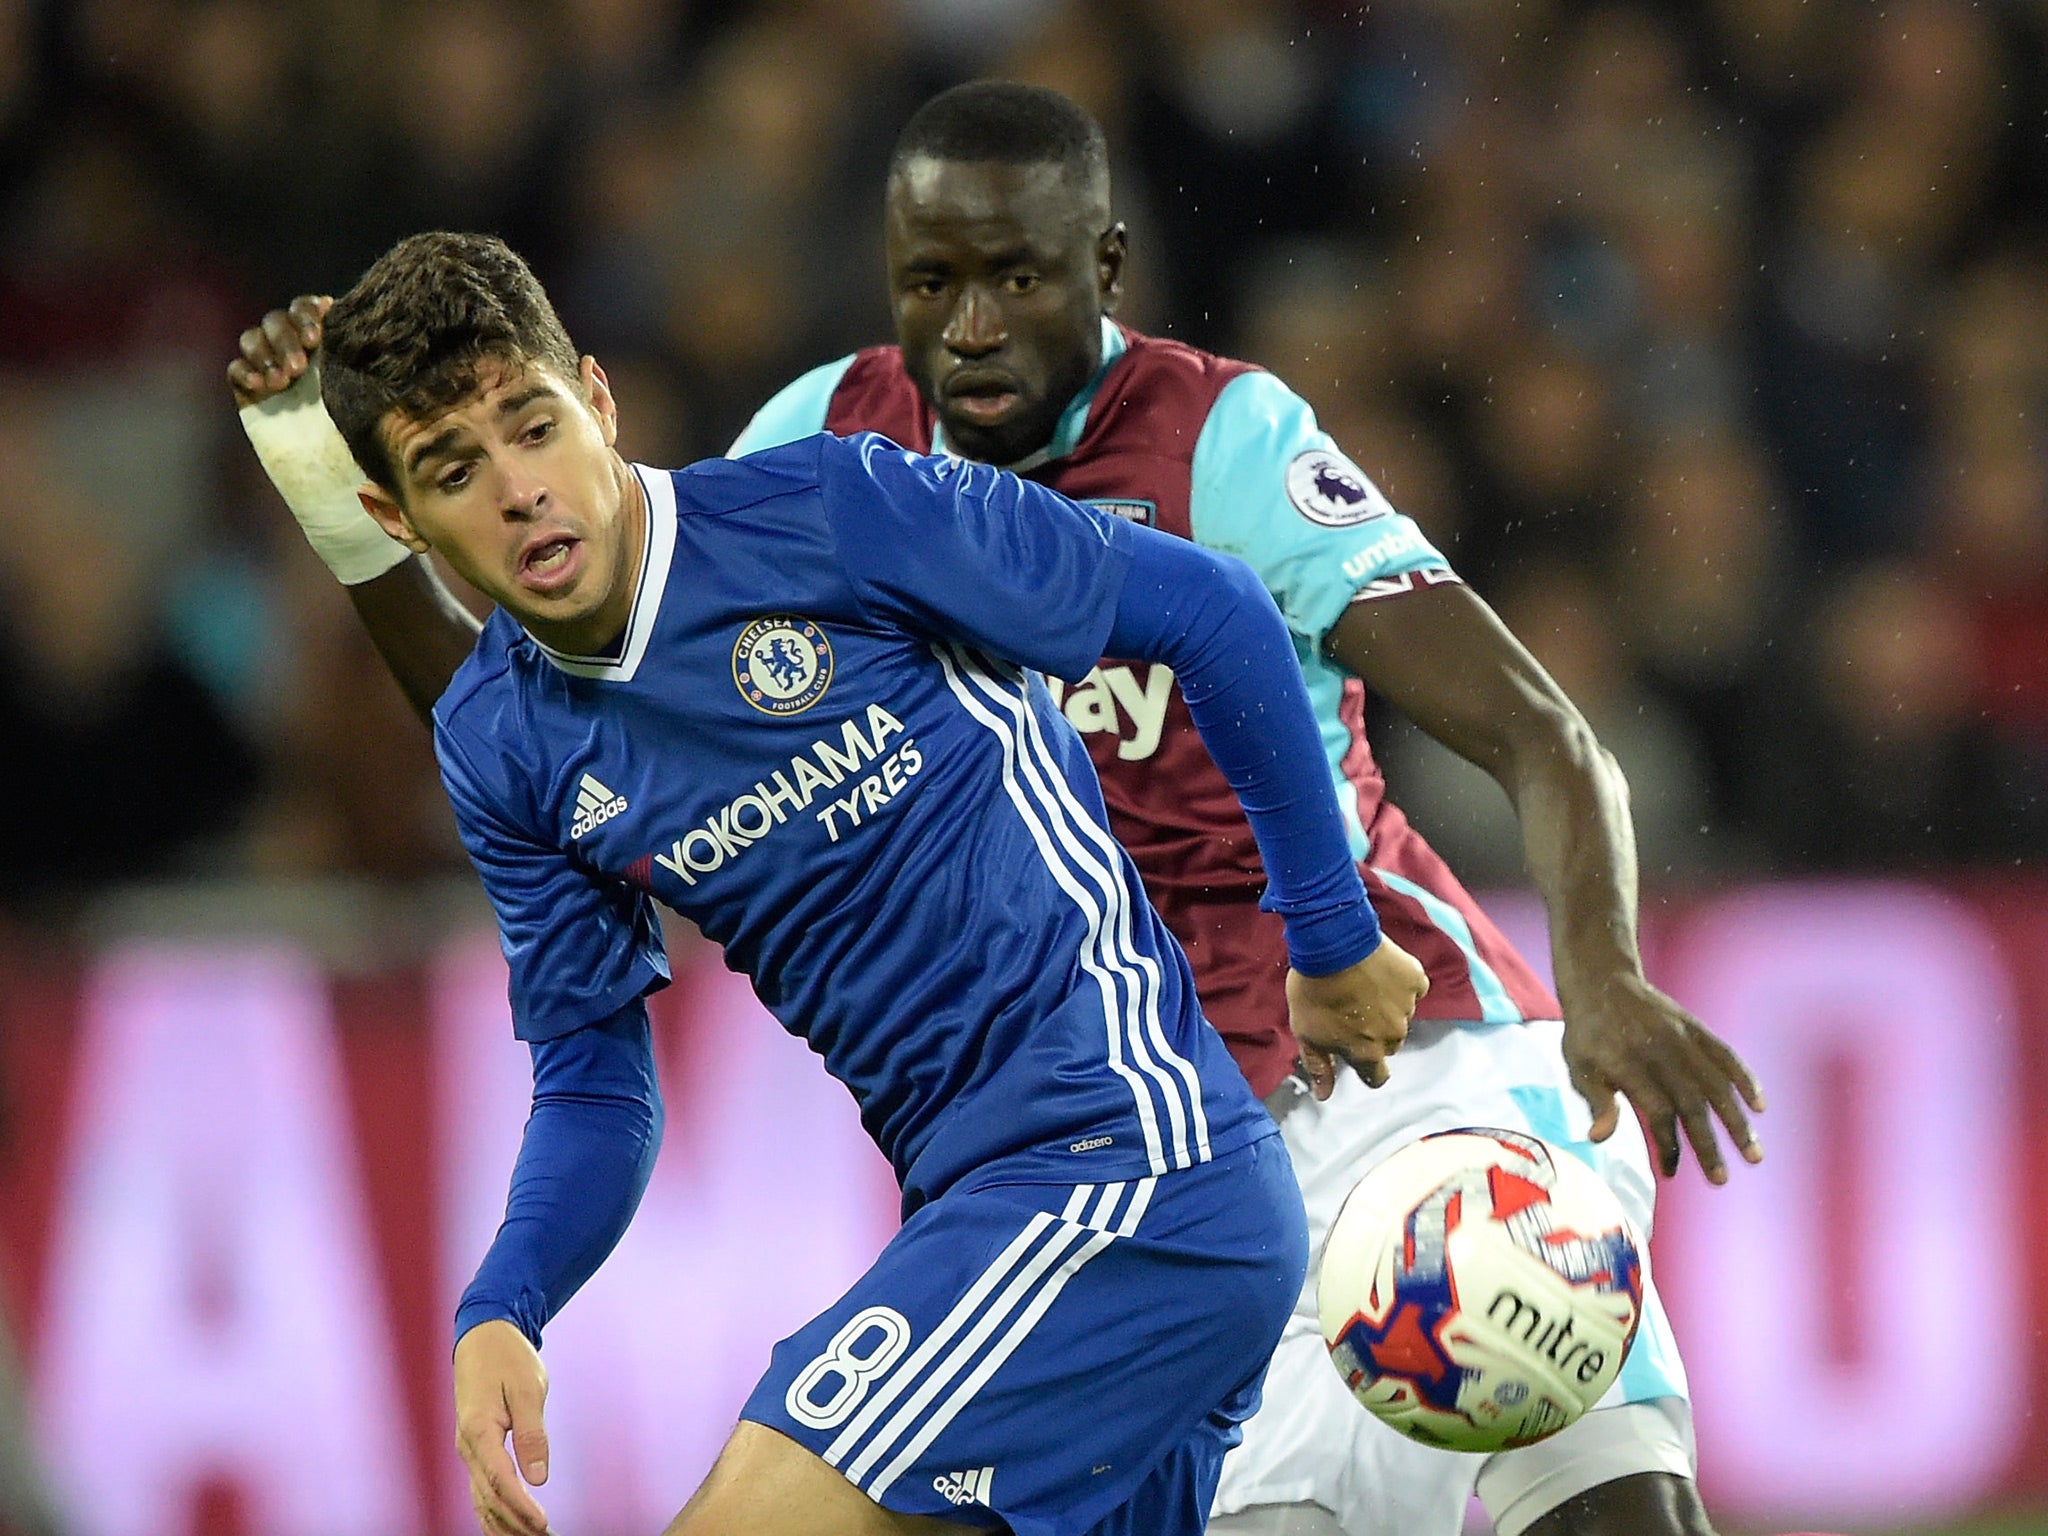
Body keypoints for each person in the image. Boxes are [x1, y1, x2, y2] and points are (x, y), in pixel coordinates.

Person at [230, 85, 1763, 1536]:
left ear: (1103, 268)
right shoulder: (833, 441)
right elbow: (576, 704)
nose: (971, 326)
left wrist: (1531, 957)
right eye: (928, 281)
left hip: (1373, 1060)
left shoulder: (1199, 440)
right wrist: (327, 471)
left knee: (1604, 1484)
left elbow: (1522, 721)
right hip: (1117, 1124)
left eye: (1017, 278)